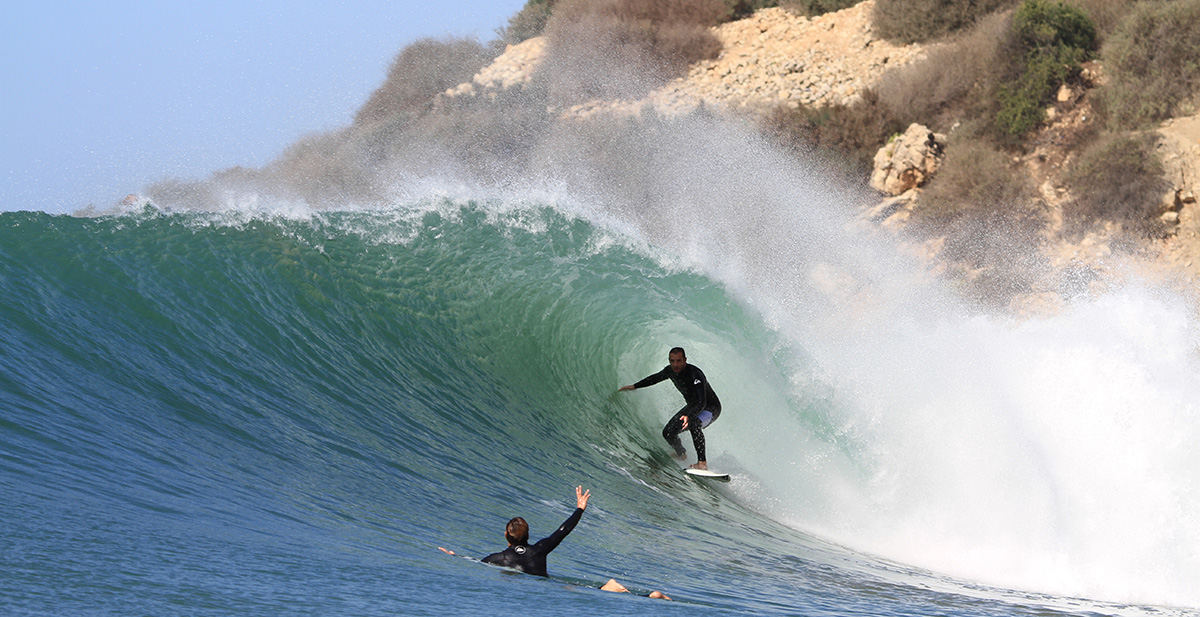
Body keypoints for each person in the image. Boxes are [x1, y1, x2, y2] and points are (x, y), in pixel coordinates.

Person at [439, 486, 590, 577]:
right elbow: (563, 531)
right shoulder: (540, 549)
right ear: (528, 535)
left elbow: (475, 563)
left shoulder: (497, 558)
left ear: (506, 535)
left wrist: (455, 556)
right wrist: (579, 509)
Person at [619, 347, 721, 470]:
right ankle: (681, 453)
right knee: (668, 433)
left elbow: (702, 401)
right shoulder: (670, 371)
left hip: (710, 408)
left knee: (694, 423)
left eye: (678, 361)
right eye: (672, 361)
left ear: (685, 360)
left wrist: (689, 415)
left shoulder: (695, 374)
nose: (675, 364)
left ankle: (702, 463)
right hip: (693, 406)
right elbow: (655, 378)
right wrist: (635, 386)